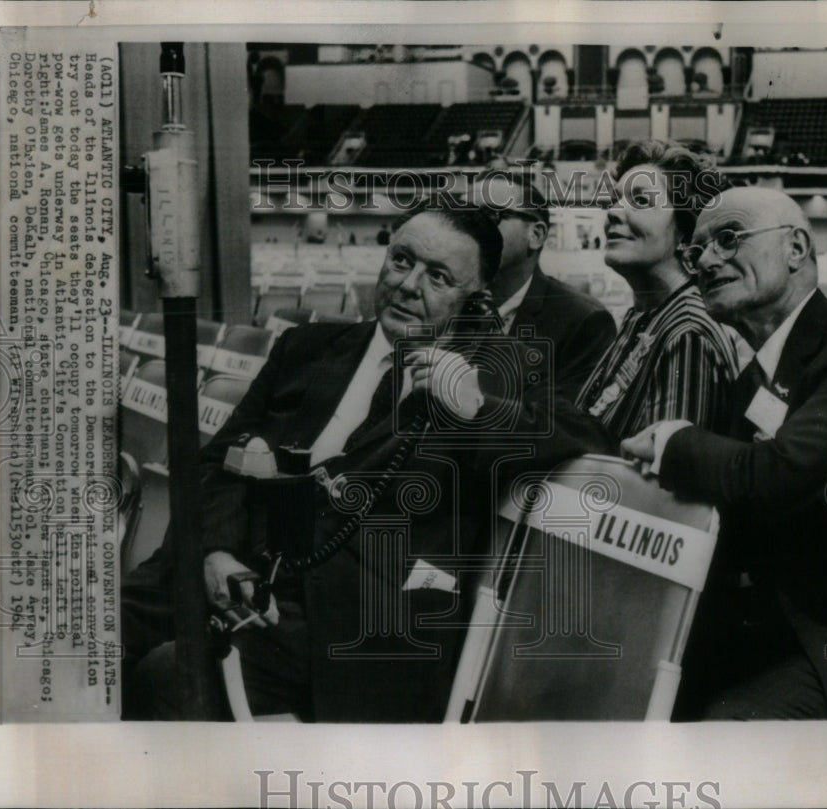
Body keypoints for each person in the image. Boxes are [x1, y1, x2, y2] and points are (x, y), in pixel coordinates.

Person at [127, 200, 610, 721]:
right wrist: (216, 553)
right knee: (91, 635)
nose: (408, 285)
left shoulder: (490, 381)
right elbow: (215, 465)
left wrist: (475, 405)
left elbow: (590, 437)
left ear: (476, 301)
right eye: (402, 261)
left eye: (439, 277)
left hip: (345, 613)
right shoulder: (306, 348)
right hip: (227, 568)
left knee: (169, 677)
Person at [621, 186, 827, 719]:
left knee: (724, 733)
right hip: (786, 633)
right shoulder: (753, 381)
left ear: (796, 249)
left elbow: (773, 476)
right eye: (695, 250)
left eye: (728, 238)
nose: (706, 259)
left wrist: (672, 441)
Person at [577, 140, 739, 439]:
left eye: (640, 201)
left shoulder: (688, 334)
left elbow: (662, 478)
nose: (613, 212)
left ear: (685, 233)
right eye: (614, 200)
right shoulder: (645, 317)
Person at [471, 171, 616, 395]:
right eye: (463, 217)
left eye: (489, 215)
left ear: (536, 235)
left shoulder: (584, 322)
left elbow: (566, 425)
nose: (467, 230)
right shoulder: (447, 302)